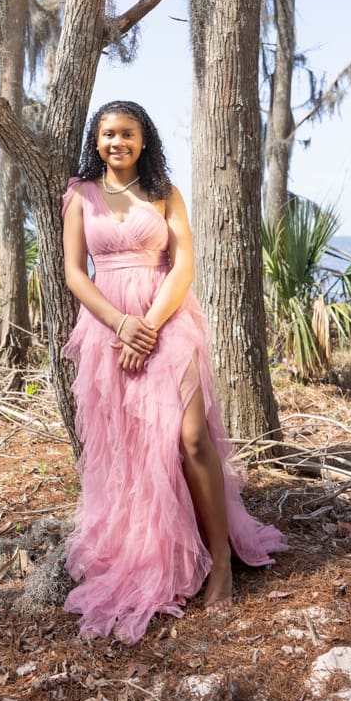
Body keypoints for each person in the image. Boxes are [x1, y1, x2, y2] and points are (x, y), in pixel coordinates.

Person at [61, 100, 286, 644]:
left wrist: (149, 325)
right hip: (109, 329)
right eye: (108, 134)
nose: (117, 142)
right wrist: (121, 325)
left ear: (144, 140)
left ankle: (222, 561)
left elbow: (183, 265)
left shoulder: (165, 192)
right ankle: (153, 551)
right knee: (135, 445)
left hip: (167, 321)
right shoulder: (80, 195)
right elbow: (74, 272)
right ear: (97, 141)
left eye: (128, 133)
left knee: (190, 438)